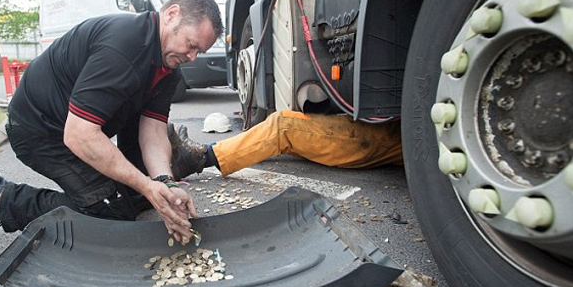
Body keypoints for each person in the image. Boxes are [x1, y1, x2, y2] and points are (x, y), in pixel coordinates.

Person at [0, 0, 224, 248]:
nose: (191, 57)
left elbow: (152, 130)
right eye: (190, 45)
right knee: (112, 215)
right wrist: (146, 185)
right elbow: (79, 134)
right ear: (171, 14)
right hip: (40, 129)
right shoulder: (124, 45)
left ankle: (132, 193)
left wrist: (164, 183)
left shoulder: (167, 65)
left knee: (146, 192)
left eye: (199, 51)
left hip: (82, 128)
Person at [168, 110, 403, 180]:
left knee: (284, 127)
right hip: (400, 133)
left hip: (395, 136)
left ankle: (199, 158)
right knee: (293, 133)